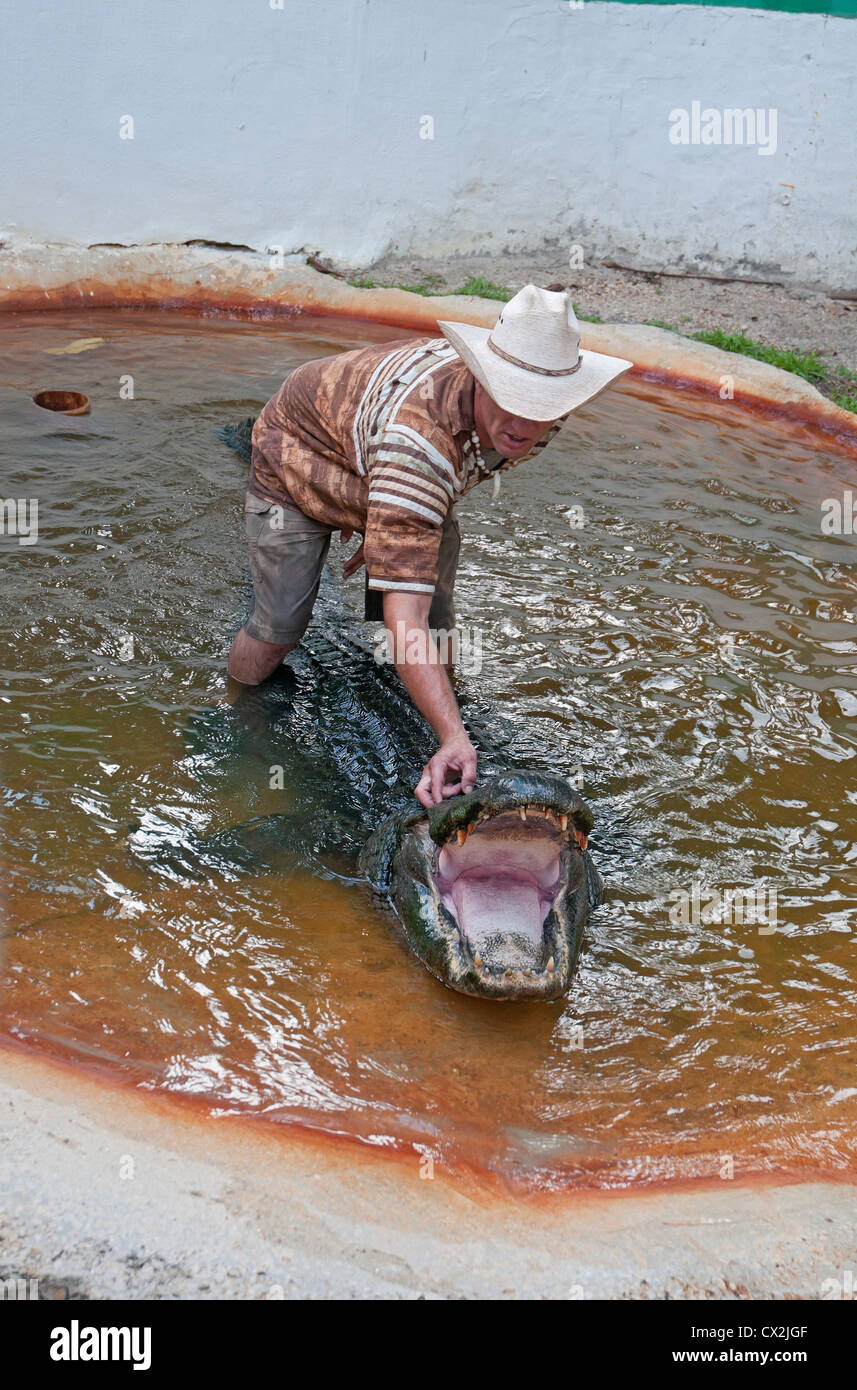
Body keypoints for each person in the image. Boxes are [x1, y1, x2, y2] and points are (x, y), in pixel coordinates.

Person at [227, 284, 632, 807]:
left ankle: (441, 713)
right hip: (297, 447)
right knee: (280, 623)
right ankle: (233, 708)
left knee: (436, 606)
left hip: (380, 454)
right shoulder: (419, 444)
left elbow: (455, 475)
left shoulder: (534, 421)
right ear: (481, 380)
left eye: (543, 405)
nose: (526, 422)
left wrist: (393, 533)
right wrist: (453, 738)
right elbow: (404, 619)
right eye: (511, 397)